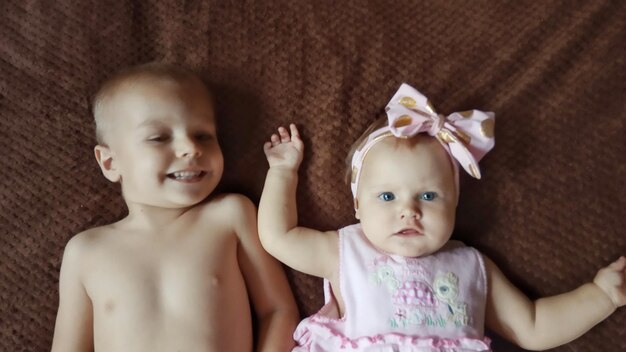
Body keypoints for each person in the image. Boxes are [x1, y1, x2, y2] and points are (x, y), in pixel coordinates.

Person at [258, 83, 625, 351]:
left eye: (429, 196)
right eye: (386, 196)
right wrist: (283, 172)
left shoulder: (473, 267)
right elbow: (279, 237)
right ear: (358, 206)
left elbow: (532, 326)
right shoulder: (345, 252)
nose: (409, 210)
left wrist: (600, 295)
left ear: (454, 205)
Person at [51, 63, 299, 352]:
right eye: (159, 138)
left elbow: (278, 310)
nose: (191, 148)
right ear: (110, 162)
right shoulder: (86, 251)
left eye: (204, 135)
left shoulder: (229, 216)